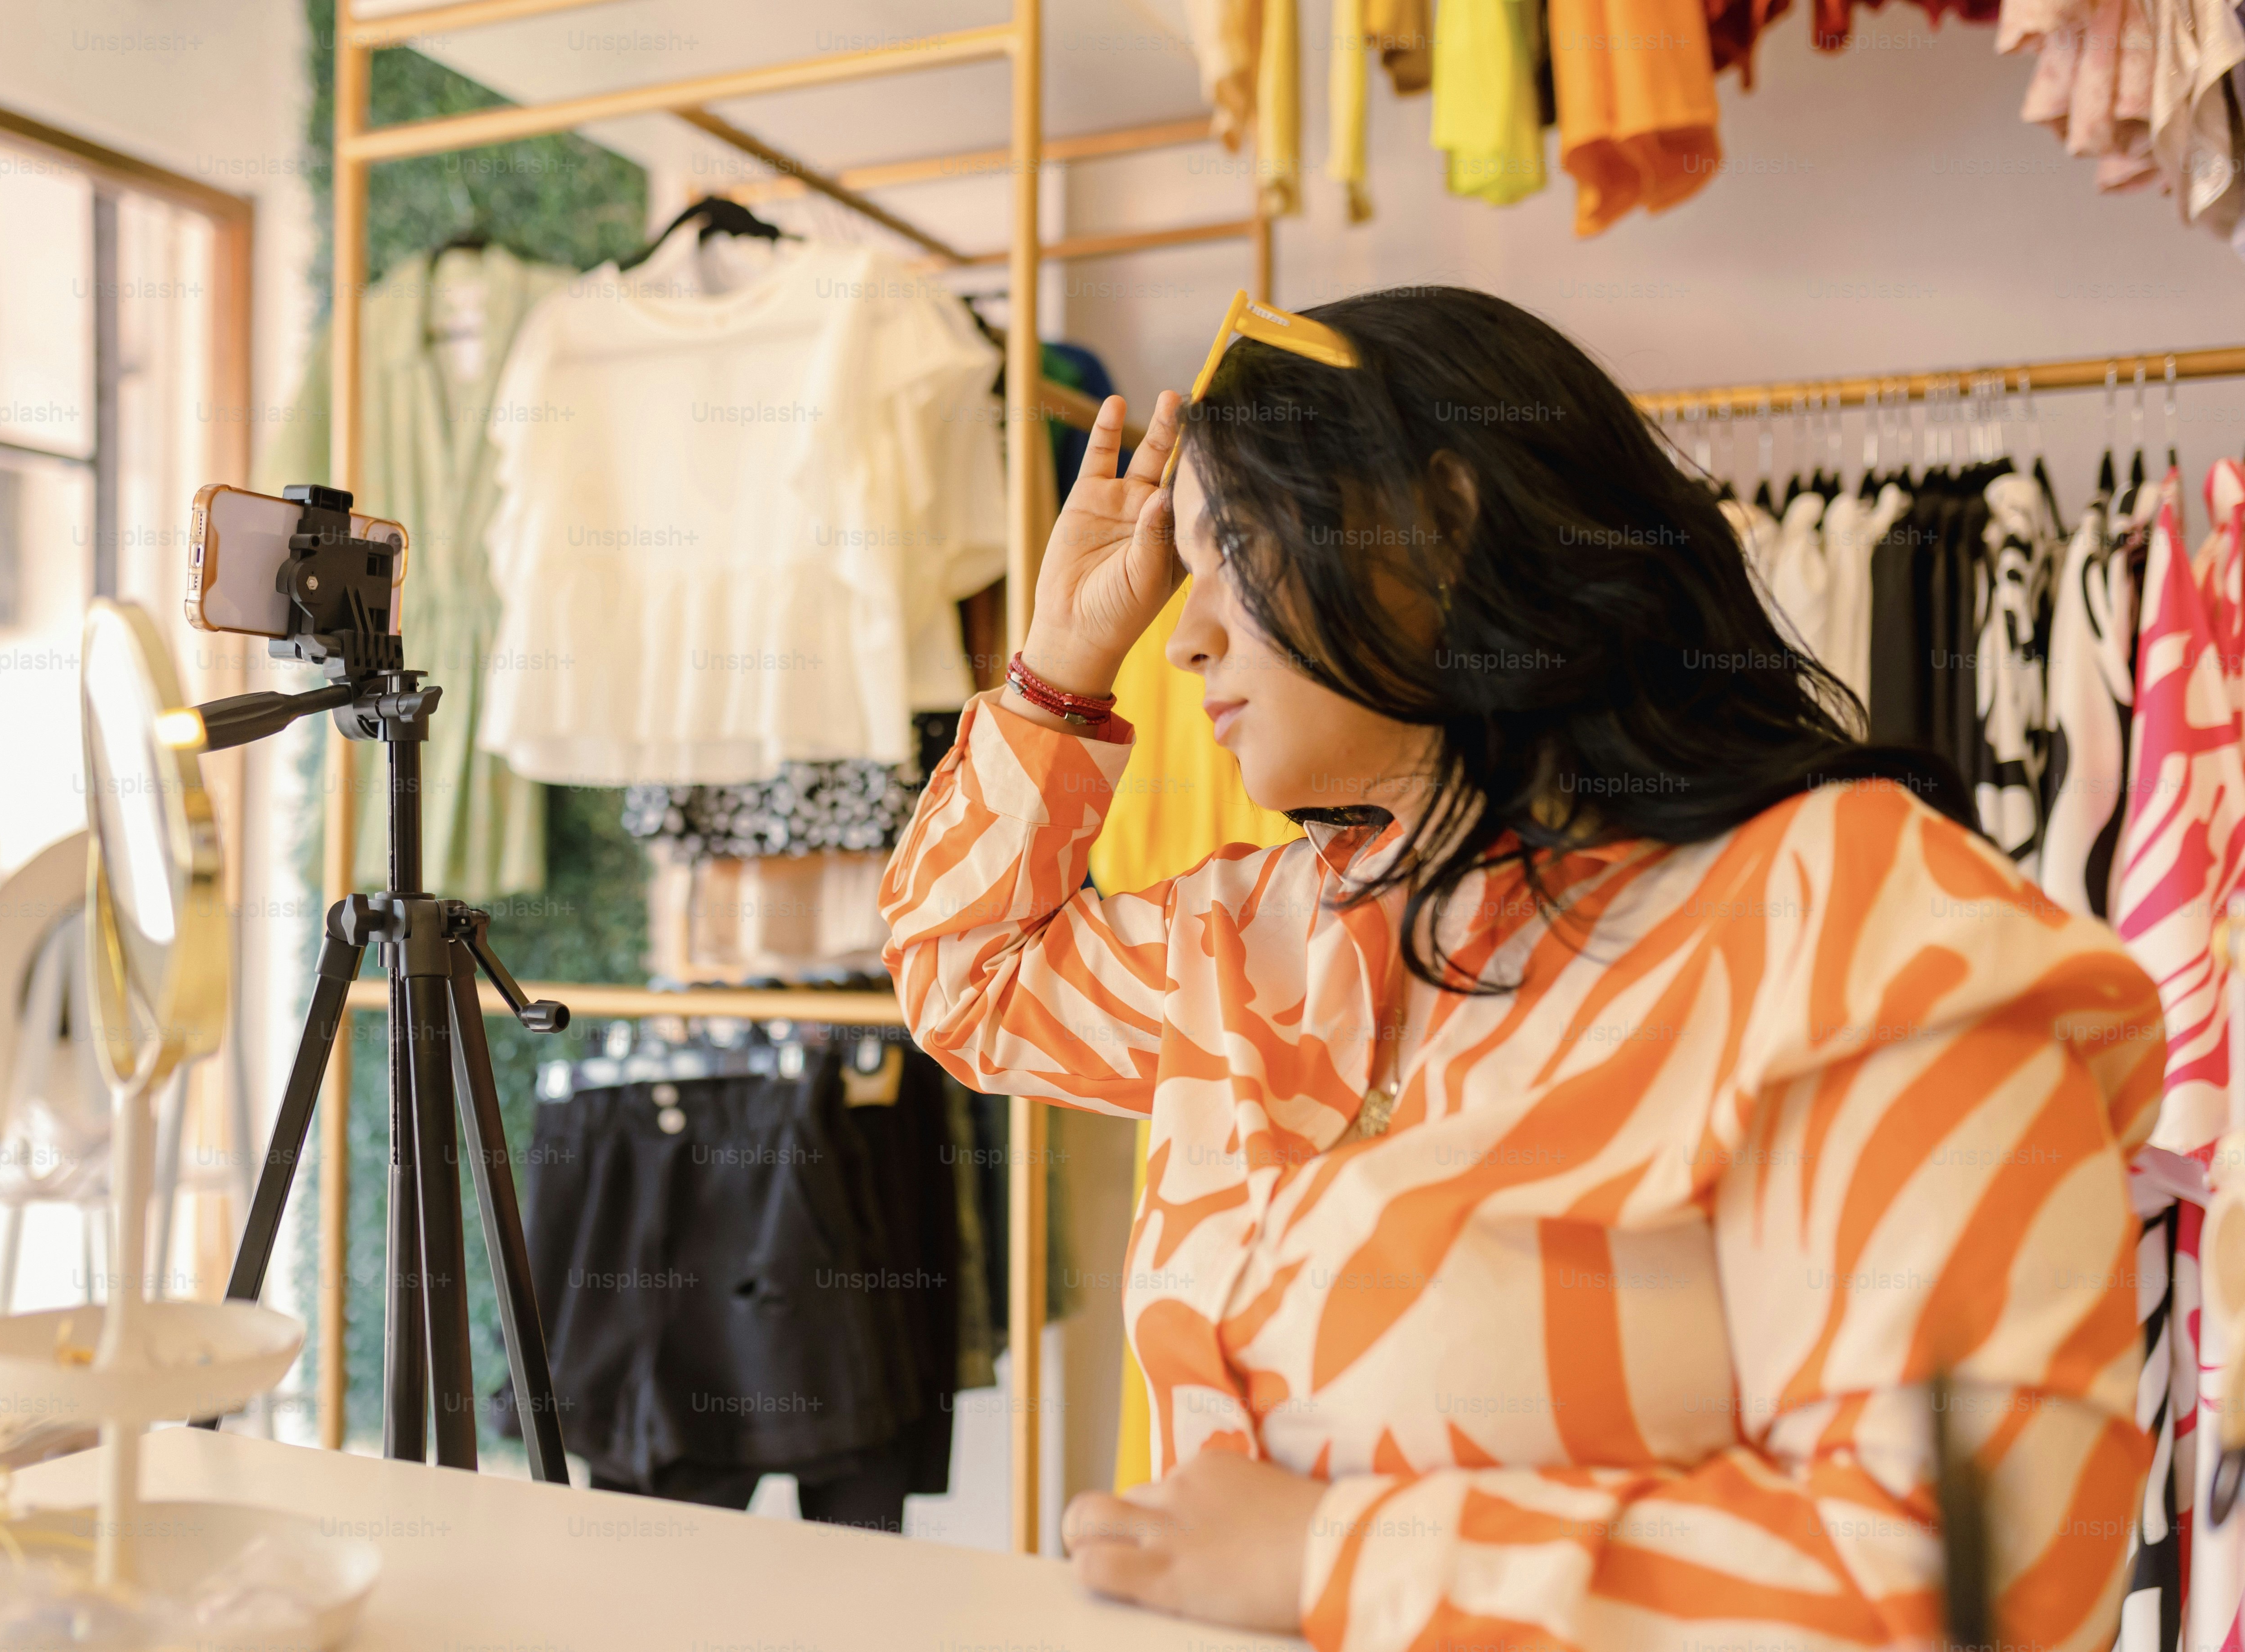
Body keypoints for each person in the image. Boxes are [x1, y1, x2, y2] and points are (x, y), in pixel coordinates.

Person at [877, 287, 2161, 1652]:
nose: (1181, 636)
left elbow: (1982, 1588)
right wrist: (1065, 662)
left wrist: (1338, 1558)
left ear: (1441, 525)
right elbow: (964, 972)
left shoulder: (1854, 919)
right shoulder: (1260, 936)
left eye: (1234, 553)